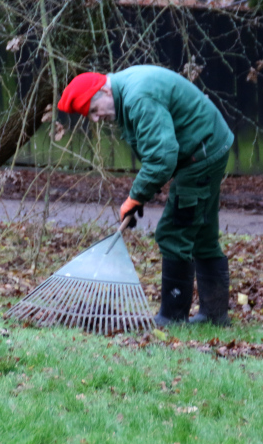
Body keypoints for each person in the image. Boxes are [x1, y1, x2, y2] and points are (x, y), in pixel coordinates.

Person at [57, 65, 234, 326]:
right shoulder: (125, 93)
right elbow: (158, 150)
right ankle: (215, 316)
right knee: (202, 233)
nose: (96, 119)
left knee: (175, 232)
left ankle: (173, 318)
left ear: (104, 90)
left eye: (94, 110)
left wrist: (136, 196)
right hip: (207, 146)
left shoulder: (137, 97)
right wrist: (141, 196)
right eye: (90, 115)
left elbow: (162, 157)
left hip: (201, 154)